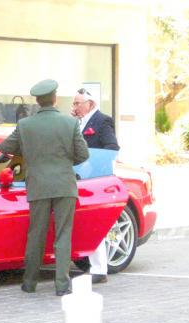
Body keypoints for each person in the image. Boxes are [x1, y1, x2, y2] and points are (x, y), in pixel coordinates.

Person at [0, 79, 89, 296]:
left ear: (38, 101)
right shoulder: (69, 124)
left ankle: (29, 283)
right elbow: (83, 154)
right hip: (64, 185)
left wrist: (28, 152)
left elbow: (5, 147)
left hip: (38, 185)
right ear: (55, 98)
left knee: (36, 234)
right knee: (63, 234)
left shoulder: (25, 125)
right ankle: (61, 285)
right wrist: (64, 163)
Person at [71, 87, 120, 284]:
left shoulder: (102, 120)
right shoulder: (77, 122)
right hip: (81, 178)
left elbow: (111, 147)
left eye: (77, 103)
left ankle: (102, 266)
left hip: (96, 178)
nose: (74, 107)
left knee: (98, 222)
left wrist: (92, 163)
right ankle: (95, 264)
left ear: (90, 104)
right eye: (73, 103)